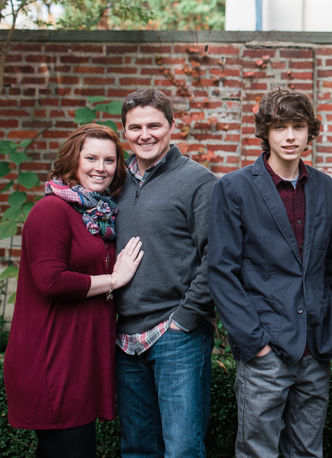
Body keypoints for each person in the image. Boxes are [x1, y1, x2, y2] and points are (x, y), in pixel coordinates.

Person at [207, 87, 332, 458]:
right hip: (264, 348)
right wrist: (255, 344)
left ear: (309, 132)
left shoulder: (324, 186)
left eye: (298, 126)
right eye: (280, 127)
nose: (290, 136)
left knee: (307, 452)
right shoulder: (234, 188)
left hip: (315, 347)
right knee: (258, 452)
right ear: (266, 133)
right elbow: (222, 271)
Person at [5, 124, 144, 458]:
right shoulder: (52, 210)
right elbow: (50, 281)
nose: (101, 168)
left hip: (80, 356)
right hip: (52, 357)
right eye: (92, 158)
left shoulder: (97, 214)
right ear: (73, 160)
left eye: (110, 160)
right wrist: (113, 279)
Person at [114, 89, 218, 458]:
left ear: (173, 126)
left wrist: (185, 318)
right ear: (124, 130)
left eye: (154, 125)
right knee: (137, 448)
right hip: (124, 337)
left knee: (183, 449)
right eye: (135, 127)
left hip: (177, 334)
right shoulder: (115, 182)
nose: (145, 134)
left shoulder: (198, 181)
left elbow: (216, 257)